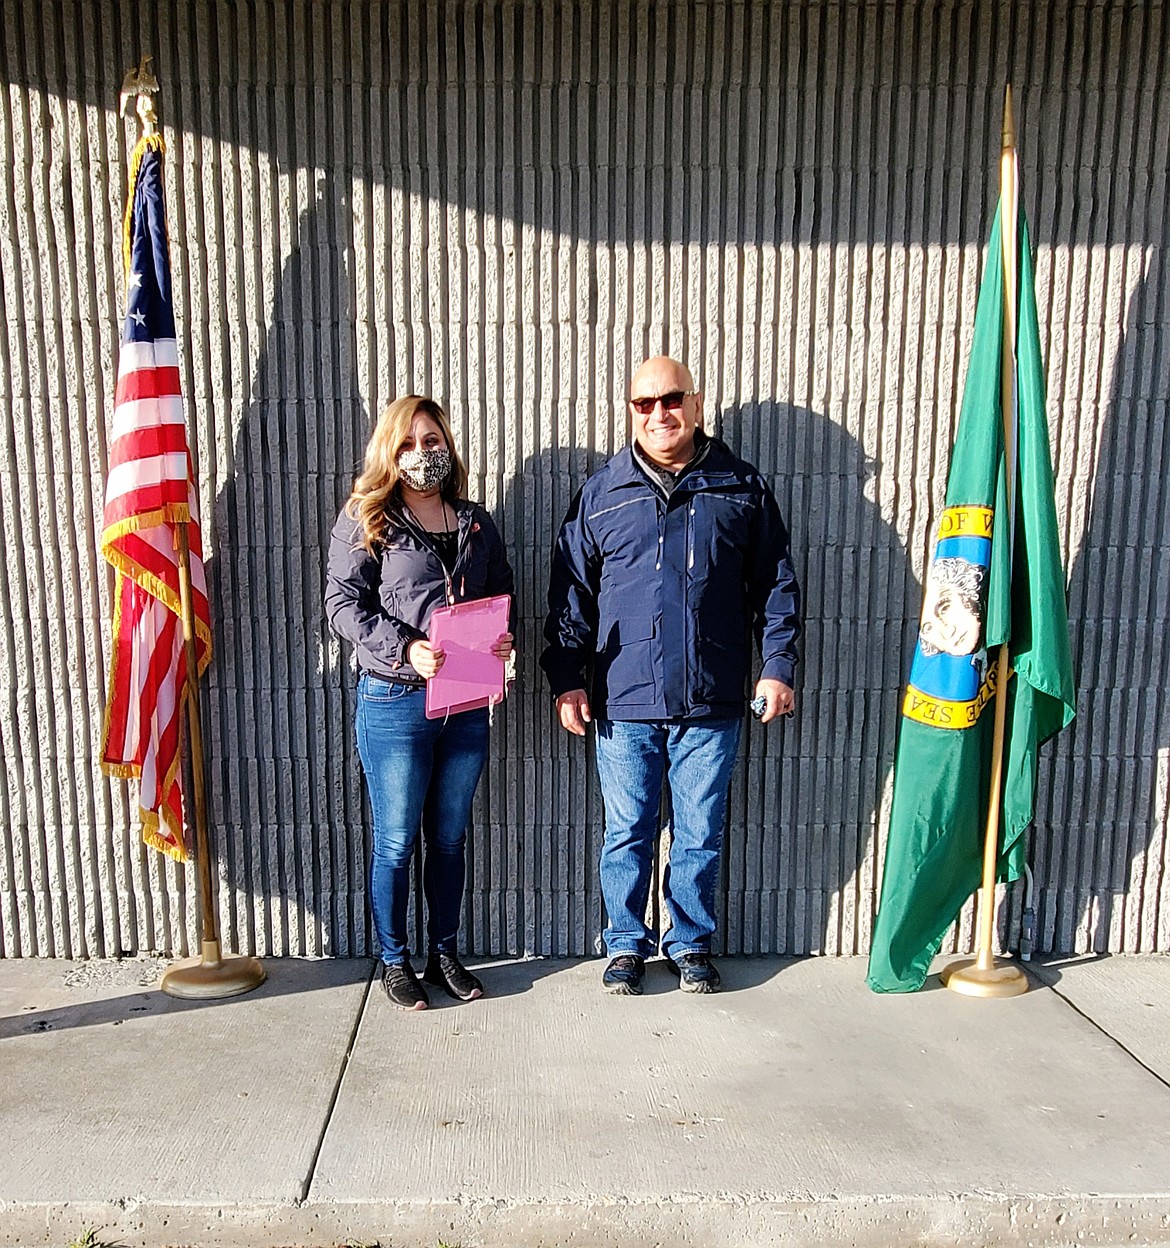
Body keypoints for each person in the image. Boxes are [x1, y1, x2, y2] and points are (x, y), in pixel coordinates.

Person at [541, 357, 801, 996]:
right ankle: (626, 942)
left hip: (712, 696)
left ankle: (689, 942)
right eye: (644, 403)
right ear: (630, 410)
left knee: (699, 830)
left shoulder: (739, 486)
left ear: (697, 401)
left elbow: (775, 585)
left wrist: (777, 666)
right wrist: (566, 677)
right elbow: (571, 593)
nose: (659, 413)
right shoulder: (601, 493)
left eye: (671, 398)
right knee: (627, 829)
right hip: (623, 700)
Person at [325, 395, 514, 1010]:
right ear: (389, 451)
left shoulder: (476, 523)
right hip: (396, 701)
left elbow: (498, 591)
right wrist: (406, 648)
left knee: (451, 838)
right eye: (407, 444)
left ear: (448, 447)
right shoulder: (368, 519)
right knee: (397, 839)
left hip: (464, 702)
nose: (421, 454)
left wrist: (501, 635)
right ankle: (394, 958)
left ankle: (444, 952)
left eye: (432, 442)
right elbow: (343, 605)